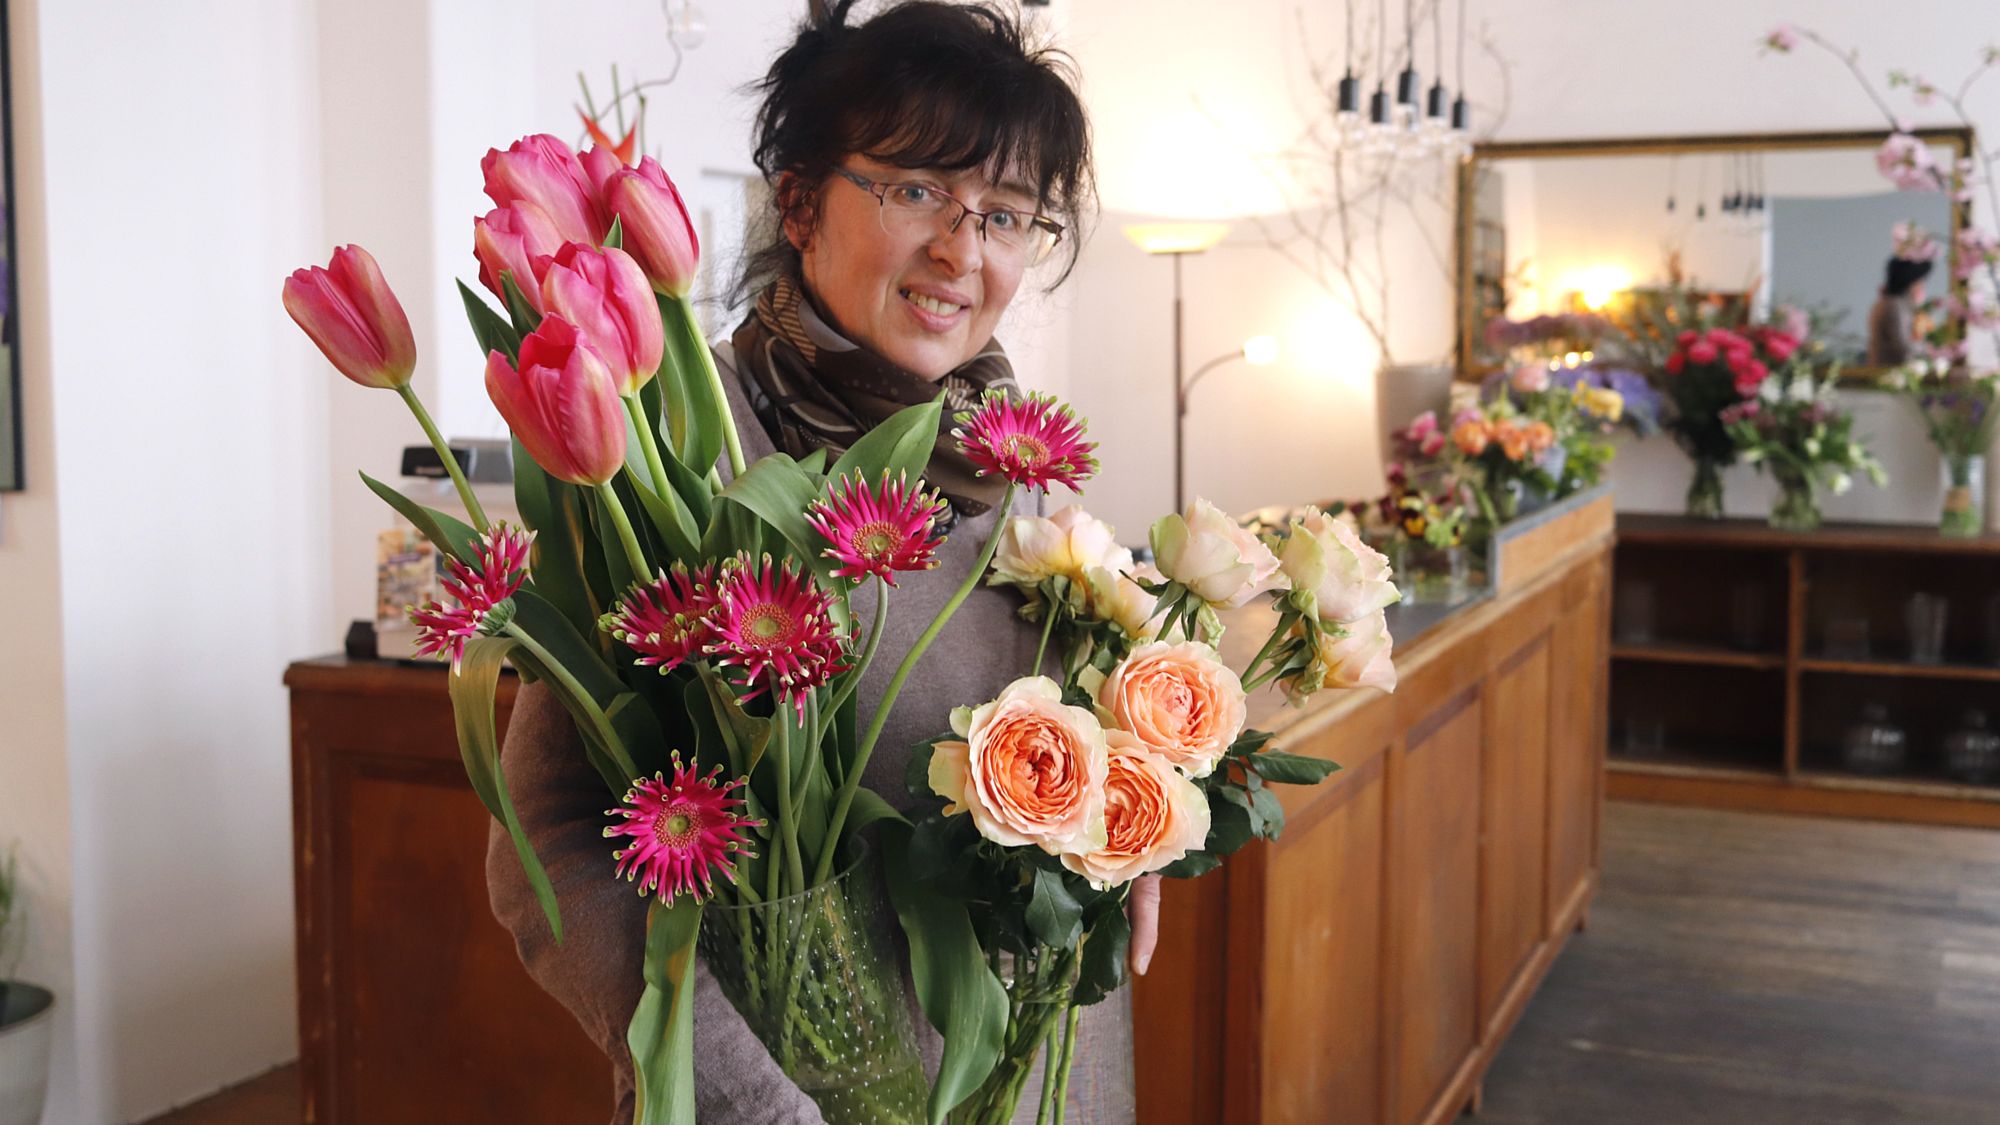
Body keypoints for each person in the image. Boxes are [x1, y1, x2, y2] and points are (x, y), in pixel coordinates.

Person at [486, 3, 1144, 1122]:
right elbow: (547, 848)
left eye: (1004, 214)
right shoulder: (682, 464)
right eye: (917, 191)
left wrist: (1134, 814)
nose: (960, 249)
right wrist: (752, 1102)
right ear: (797, 201)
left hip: (1042, 1083)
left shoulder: (1010, 458)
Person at [1866, 253, 1932, 366]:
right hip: (1889, 372)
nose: (1922, 285)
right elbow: (1903, 346)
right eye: (1920, 280)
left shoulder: (1891, 303)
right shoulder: (1893, 306)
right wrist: (1932, 351)